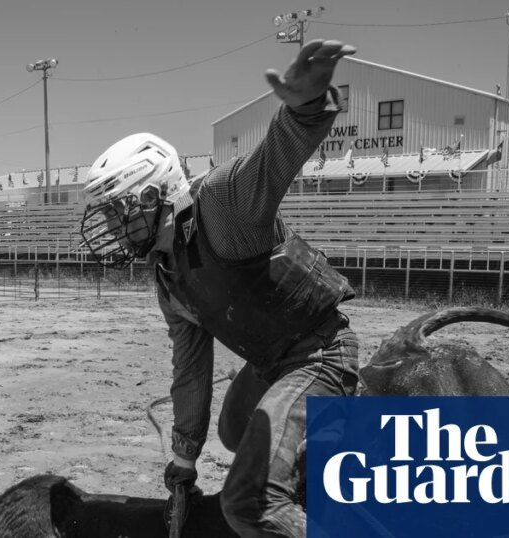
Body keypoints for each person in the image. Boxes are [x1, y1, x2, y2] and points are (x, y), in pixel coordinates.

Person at [79, 40, 358, 537]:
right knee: (233, 431)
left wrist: (306, 107)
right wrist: (184, 462)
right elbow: (190, 372)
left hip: (320, 353)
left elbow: (275, 156)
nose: (113, 229)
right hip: (271, 361)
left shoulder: (223, 205)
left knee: (249, 501)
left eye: (117, 212)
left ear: (152, 195)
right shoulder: (168, 277)